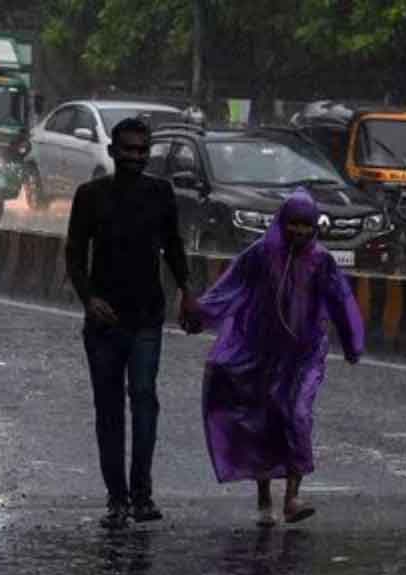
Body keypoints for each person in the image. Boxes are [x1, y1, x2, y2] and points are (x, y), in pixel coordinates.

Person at [188, 187, 364, 527]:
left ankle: (292, 497)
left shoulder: (321, 261)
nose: (299, 231)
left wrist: (352, 342)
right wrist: (200, 315)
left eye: (306, 224)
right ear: (282, 222)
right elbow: (230, 287)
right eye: (293, 223)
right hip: (261, 351)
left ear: (315, 227)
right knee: (263, 419)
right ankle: (264, 496)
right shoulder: (260, 255)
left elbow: (341, 301)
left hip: (304, 354)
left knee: (297, 414)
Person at [66, 117, 199, 529]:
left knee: (144, 401)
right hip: (105, 323)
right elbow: (74, 255)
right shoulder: (90, 195)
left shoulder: (160, 194)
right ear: (112, 151)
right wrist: (89, 300)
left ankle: (142, 495)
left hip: (147, 317)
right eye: (128, 150)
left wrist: (187, 291)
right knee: (109, 410)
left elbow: (173, 247)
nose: (135, 158)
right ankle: (116, 499)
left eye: (142, 151)